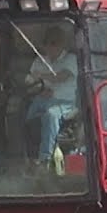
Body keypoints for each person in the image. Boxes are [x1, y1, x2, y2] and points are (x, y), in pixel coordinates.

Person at [23, 26, 78, 169]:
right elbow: (28, 80)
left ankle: (44, 159)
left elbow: (61, 77)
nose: (50, 47)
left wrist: (40, 76)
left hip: (67, 103)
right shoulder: (40, 61)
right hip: (41, 99)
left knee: (51, 115)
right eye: (48, 43)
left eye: (54, 43)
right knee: (23, 116)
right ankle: (25, 158)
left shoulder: (71, 59)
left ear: (62, 44)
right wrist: (38, 90)